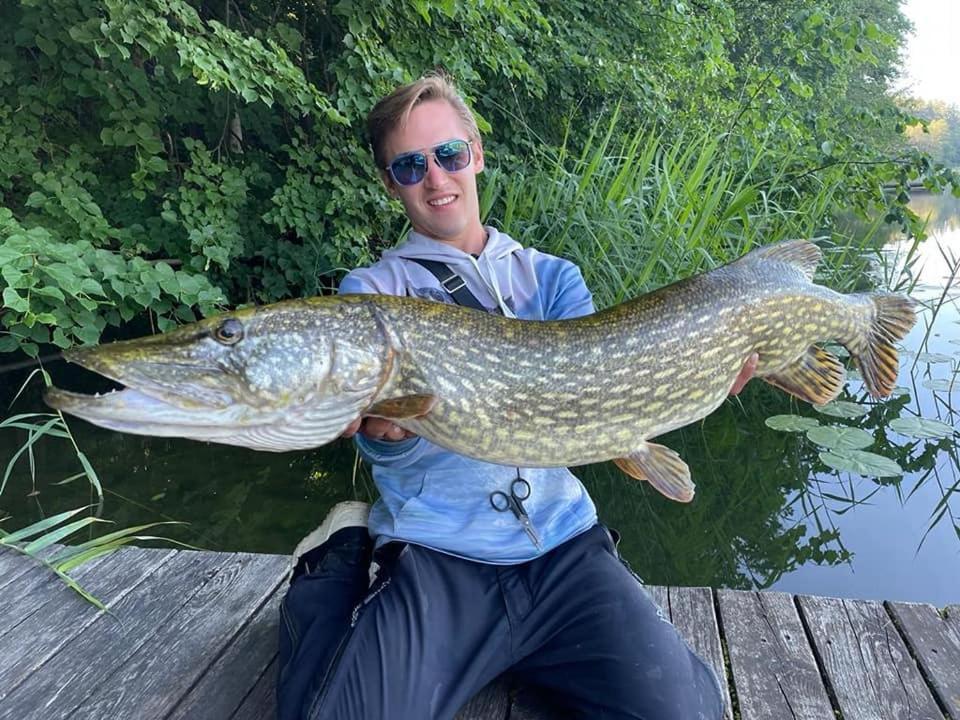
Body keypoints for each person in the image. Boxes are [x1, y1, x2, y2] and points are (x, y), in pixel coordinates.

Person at [277, 73, 757, 720]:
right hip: (440, 555)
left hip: (564, 550)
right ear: (390, 182)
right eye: (411, 166)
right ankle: (332, 566)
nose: (437, 179)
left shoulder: (554, 278)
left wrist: (699, 375)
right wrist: (381, 431)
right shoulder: (373, 295)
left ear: (475, 152)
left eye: (448, 155)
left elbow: (596, 398)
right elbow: (383, 437)